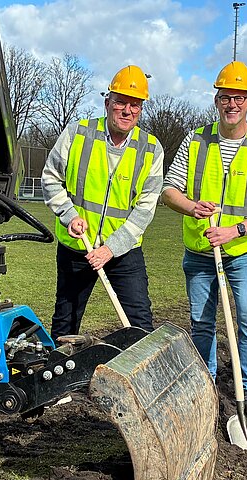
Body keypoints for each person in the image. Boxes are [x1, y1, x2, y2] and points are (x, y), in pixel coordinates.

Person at [161, 61, 247, 417]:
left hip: (245, 251)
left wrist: (236, 230)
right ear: (217, 101)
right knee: (202, 322)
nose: (232, 104)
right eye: (225, 97)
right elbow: (169, 190)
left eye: (239, 98)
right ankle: (205, 387)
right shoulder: (195, 139)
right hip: (200, 250)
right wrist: (191, 207)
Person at [41, 65, 164, 339]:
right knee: (65, 323)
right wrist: (69, 215)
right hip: (77, 248)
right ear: (107, 102)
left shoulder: (152, 149)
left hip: (123, 251)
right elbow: (50, 178)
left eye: (135, 105)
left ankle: (140, 381)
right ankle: (57, 376)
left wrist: (111, 248)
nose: (127, 110)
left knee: (140, 324)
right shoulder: (77, 134)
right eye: (120, 102)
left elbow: (145, 209)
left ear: (141, 109)